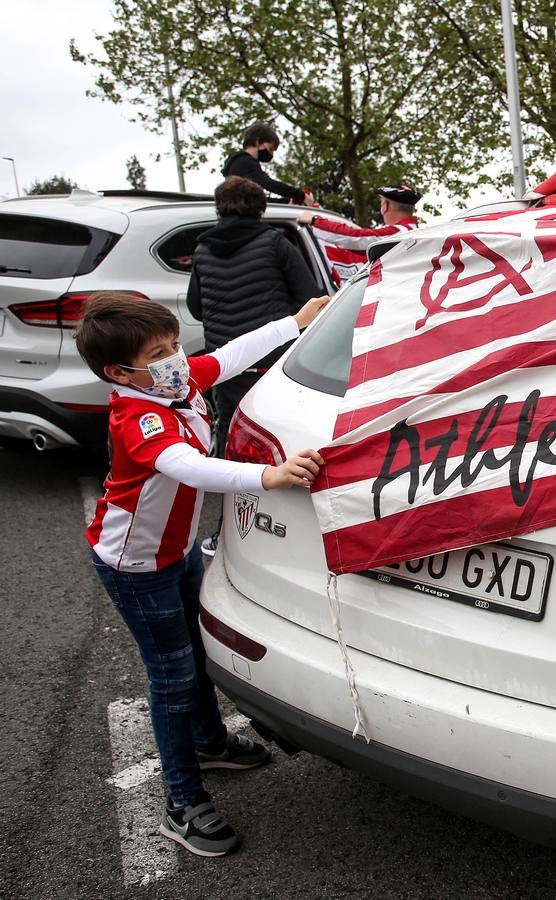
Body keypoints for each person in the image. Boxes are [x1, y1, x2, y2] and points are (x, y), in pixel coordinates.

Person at [77, 290, 331, 857]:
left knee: (196, 653)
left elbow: (233, 355)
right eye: (159, 352)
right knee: (171, 677)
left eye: (173, 345)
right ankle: (181, 803)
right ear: (119, 372)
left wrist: (295, 321)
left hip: (178, 553)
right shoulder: (136, 415)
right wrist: (269, 476)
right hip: (135, 566)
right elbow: (186, 467)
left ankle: (209, 742)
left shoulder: (167, 381)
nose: (176, 358)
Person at [188, 176, 319, 496]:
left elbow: (194, 307)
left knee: (231, 433)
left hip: (226, 364)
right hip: (271, 361)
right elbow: (310, 298)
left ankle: (232, 515)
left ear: (220, 209)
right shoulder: (275, 243)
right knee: (275, 433)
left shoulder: (203, 249)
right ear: (261, 209)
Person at [296, 184, 423, 280]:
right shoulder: (415, 230)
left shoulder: (400, 233)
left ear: (385, 206)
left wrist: (314, 220)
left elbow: (356, 237)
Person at [222, 122, 316, 207]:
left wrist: (288, 202)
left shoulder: (240, 163)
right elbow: (269, 184)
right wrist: (301, 196)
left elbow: (257, 200)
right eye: (270, 149)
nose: (271, 155)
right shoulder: (245, 161)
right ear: (258, 142)